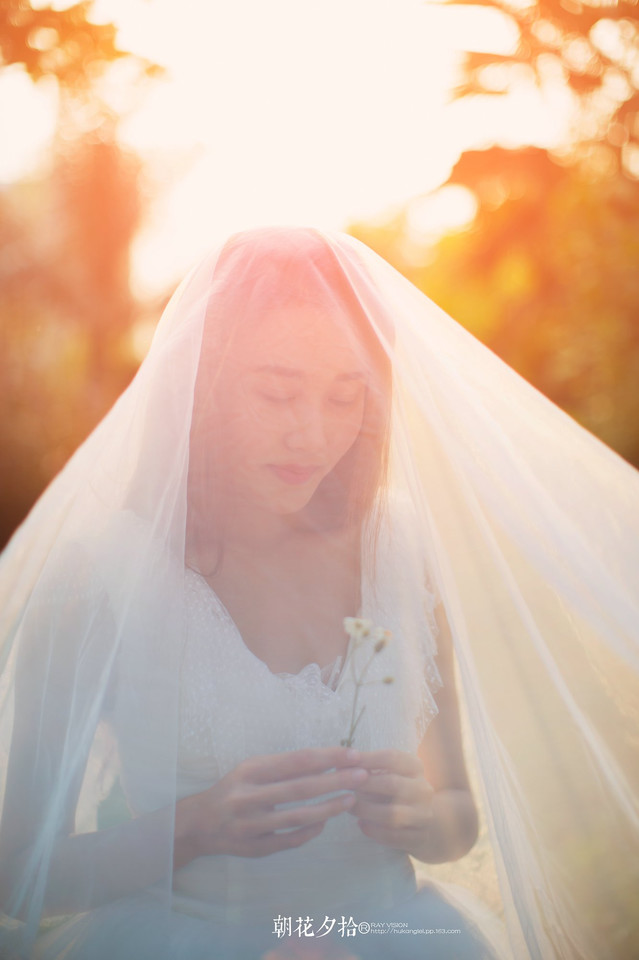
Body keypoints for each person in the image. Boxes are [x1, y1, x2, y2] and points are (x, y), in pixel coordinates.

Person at [0, 227, 637, 960]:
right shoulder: (100, 577)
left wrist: (417, 817)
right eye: (276, 392)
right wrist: (195, 826)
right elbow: (20, 870)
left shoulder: (397, 550)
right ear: (199, 386)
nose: (312, 434)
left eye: (346, 396)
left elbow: (456, 816)